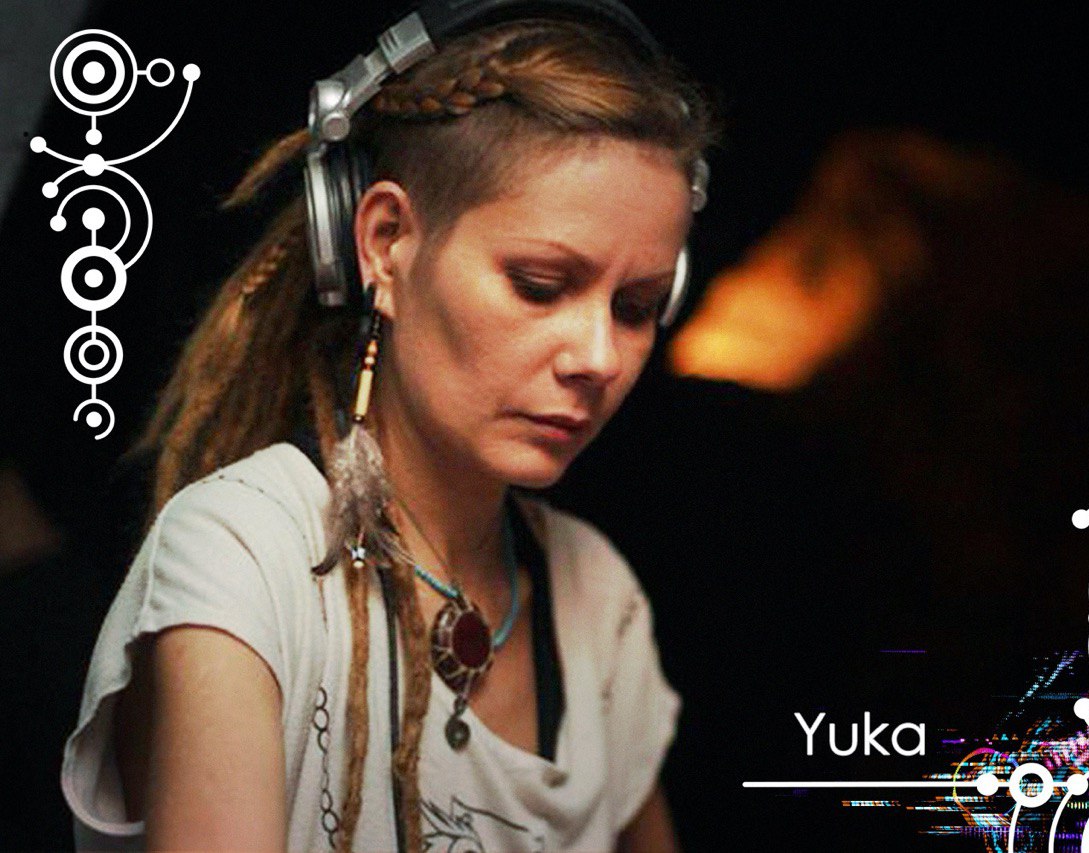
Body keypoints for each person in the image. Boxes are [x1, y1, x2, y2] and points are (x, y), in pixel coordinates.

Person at [60, 4, 715, 850]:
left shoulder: (600, 600)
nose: (598, 357)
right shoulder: (240, 556)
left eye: (636, 307)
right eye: (540, 285)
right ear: (384, 242)